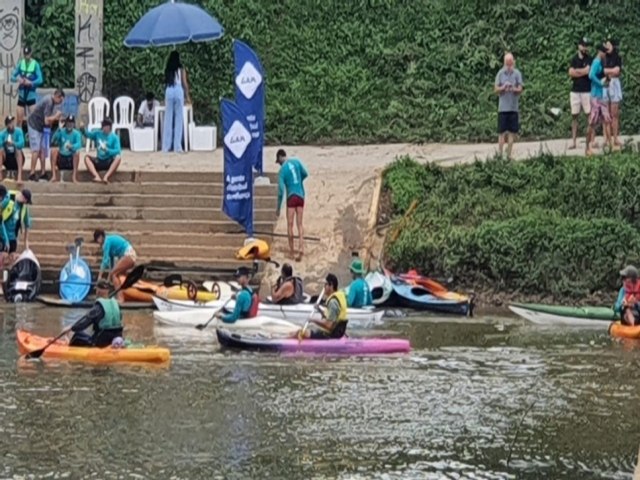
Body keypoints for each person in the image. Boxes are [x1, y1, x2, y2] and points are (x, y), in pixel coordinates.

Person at [63, 281, 123, 347]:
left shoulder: (99, 306)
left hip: (101, 341)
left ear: (98, 291)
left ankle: (68, 346)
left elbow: (85, 322)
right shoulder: (115, 303)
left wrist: (71, 328)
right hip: (116, 337)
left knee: (77, 335)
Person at [276, 149, 309, 261]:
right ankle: (301, 247)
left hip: (291, 196)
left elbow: (280, 191)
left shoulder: (282, 171)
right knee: (300, 224)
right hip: (300, 195)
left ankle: (291, 251)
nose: (279, 163)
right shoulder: (296, 162)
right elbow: (305, 173)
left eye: (279, 161)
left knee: (290, 225)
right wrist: (299, 182)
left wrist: (278, 207)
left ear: (281, 157)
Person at [27, 88, 64, 182]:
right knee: (36, 150)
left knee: (43, 150)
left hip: (42, 127)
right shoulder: (48, 101)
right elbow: (46, 120)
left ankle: (43, 172)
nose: (60, 102)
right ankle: (32, 173)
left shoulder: (52, 103)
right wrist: (56, 117)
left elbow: (47, 122)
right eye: (61, 100)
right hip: (34, 125)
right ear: (57, 96)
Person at [296, 273, 347, 339]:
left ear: (331, 286)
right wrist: (319, 310)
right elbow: (332, 317)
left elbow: (328, 325)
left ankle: (280, 344)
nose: (324, 287)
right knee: (299, 332)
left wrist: (313, 320)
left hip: (330, 335)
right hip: (335, 332)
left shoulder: (333, 302)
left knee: (300, 332)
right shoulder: (336, 298)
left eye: (325, 284)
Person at [93, 229, 137, 303]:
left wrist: (100, 276)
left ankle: (121, 298)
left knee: (114, 274)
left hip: (129, 255)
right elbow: (111, 263)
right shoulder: (108, 241)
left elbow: (105, 260)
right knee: (116, 274)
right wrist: (108, 280)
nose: (98, 242)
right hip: (129, 255)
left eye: (97, 239)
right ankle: (124, 295)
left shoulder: (107, 242)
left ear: (101, 237)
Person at [494, 52, 524, 160]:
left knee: (512, 133)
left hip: (513, 107)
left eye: (511, 64)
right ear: (504, 63)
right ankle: (500, 154)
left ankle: (509, 155)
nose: (509, 66)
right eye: (507, 64)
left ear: (513, 62)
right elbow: (496, 89)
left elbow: (520, 89)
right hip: (502, 108)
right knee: (501, 133)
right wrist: (503, 88)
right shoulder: (500, 73)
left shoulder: (517, 73)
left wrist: (513, 89)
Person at [162, 51, 191, 153]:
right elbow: (184, 83)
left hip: (169, 90)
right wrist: (188, 97)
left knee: (168, 119)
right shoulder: (181, 69)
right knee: (179, 119)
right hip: (178, 91)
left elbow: (166, 82)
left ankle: (166, 146)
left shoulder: (168, 69)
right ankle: (177, 146)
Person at [586, 44, 611, 156]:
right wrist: (600, 82)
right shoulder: (596, 62)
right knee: (592, 122)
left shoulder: (600, 62)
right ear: (600, 52)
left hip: (600, 95)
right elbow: (591, 75)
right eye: (604, 52)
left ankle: (609, 144)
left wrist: (605, 82)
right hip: (595, 96)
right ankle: (587, 147)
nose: (605, 54)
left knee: (607, 119)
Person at [10, 46, 43, 129]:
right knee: (19, 120)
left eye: (28, 54)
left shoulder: (35, 64)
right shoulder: (21, 63)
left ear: (31, 53)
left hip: (31, 95)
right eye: (25, 54)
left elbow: (40, 80)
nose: (26, 56)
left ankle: (32, 140)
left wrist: (31, 82)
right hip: (21, 95)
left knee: (33, 120)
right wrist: (18, 79)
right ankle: (20, 139)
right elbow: (12, 77)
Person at [568, 38, 592, 150]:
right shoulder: (573, 59)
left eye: (586, 45)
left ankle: (591, 141)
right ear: (579, 46)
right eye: (583, 45)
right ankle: (573, 141)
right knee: (574, 116)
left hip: (586, 90)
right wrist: (582, 72)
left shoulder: (589, 59)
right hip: (575, 91)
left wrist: (577, 72)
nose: (585, 48)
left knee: (589, 115)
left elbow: (588, 71)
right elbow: (570, 73)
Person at [83, 118, 122, 183]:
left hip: (108, 160)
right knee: (86, 158)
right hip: (99, 160)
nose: (104, 128)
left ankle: (106, 177)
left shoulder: (114, 137)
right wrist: (83, 130)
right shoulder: (98, 133)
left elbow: (118, 150)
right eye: (103, 126)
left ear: (110, 127)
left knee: (118, 158)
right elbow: (89, 135)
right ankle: (96, 176)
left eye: (106, 126)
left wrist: (108, 151)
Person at [2, 189, 32, 262]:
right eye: (25, 200)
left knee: (12, 258)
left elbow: (27, 225)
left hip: (13, 237)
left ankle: (8, 272)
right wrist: (5, 240)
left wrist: (26, 245)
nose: (25, 203)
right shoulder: (7, 199)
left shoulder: (23, 207)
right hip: (3, 234)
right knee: (3, 257)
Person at [604, 38, 623, 151]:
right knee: (605, 113)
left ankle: (615, 138)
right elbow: (602, 70)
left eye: (608, 45)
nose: (606, 47)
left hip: (614, 84)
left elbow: (617, 71)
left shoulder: (617, 57)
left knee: (614, 113)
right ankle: (607, 139)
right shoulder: (603, 57)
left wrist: (607, 71)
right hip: (605, 83)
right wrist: (610, 71)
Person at [51, 115, 82, 183]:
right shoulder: (61, 131)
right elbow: (53, 140)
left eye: (71, 123)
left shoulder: (77, 133)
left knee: (77, 153)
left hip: (70, 159)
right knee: (53, 151)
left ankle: (74, 177)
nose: (69, 125)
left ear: (73, 124)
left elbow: (79, 144)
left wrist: (72, 146)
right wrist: (58, 129)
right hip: (62, 158)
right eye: (68, 123)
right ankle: (53, 176)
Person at [0, 115, 25, 182]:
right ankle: (0, 174)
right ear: (6, 125)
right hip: (7, 158)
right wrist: (4, 143)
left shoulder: (19, 131)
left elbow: (22, 143)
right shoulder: (2, 133)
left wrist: (13, 143)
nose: (11, 125)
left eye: (12, 122)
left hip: (16, 157)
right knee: (1, 151)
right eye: (9, 123)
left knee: (18, 150)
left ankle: (19, 176)